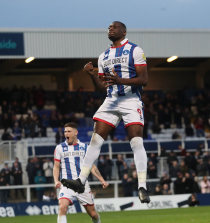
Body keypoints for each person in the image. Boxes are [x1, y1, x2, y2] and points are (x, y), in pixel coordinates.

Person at [60, 21, 150, 204]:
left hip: (131, 100)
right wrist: (92, 75)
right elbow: (102, 89)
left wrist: (120, 80)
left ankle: (142, 186)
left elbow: (144, 79)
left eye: (115, 27)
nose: (111, 29)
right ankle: (81, 180)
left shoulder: (135, 50)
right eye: (109, 27)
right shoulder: (103, 56)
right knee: (95, 140)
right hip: (110, 100)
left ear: (124, 31)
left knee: (136, 142)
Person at [53, 122, 109, 223]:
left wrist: (102, 180)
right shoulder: (59, 148)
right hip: (66, 184)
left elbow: (92, 166)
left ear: (75, 132)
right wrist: (56, 180)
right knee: (62, 207)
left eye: (69, 131)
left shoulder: (84, 147)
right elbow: (56, 167)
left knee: (93, 214)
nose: (66, 133)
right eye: (65, 131)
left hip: (82, 185)